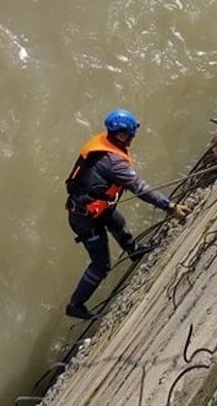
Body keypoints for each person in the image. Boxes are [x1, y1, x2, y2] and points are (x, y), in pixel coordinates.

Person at [63, 108, 192, 320]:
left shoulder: (105, 142)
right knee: (101, 264)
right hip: (84, 219)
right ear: (122, 135)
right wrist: (170, 207)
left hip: (96, 207)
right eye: (131, 134)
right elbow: (140, 188)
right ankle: (76, 305)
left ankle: (133, 251)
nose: (133, 138)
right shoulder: (113, 162)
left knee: (117, 222)